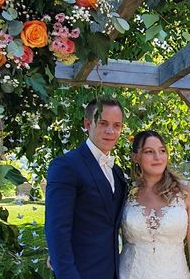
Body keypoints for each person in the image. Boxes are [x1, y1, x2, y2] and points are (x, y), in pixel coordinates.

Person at [45, 98, 128, 279]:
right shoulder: (66, 166)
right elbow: (56, 231)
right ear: (87, 124)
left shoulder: (117, 172)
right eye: (103, 123)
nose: (110, 131)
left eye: (117, 125)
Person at [119, 130, 190, 279]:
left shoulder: (187, 192)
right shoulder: (125, 192)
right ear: (136, 157)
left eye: (162, 151)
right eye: (149, 151)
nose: (157, 157)